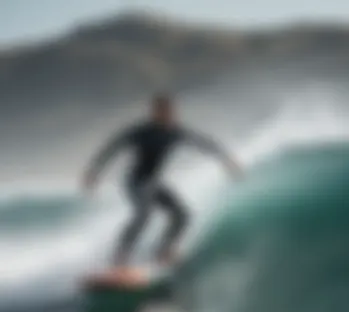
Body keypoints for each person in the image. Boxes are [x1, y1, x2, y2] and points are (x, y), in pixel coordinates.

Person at [82, 94, 242, 267]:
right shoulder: (142, 132)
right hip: (136, 182)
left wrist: (227, 160)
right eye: (161, 112)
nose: (166, 116)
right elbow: (113, 146)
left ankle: (163, 252)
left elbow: (204, 143)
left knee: (182, 215)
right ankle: (120, 256)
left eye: (168, 112)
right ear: (154, 113)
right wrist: (94, 172)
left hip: (154, 183)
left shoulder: (175, 132)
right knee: (144, 215)